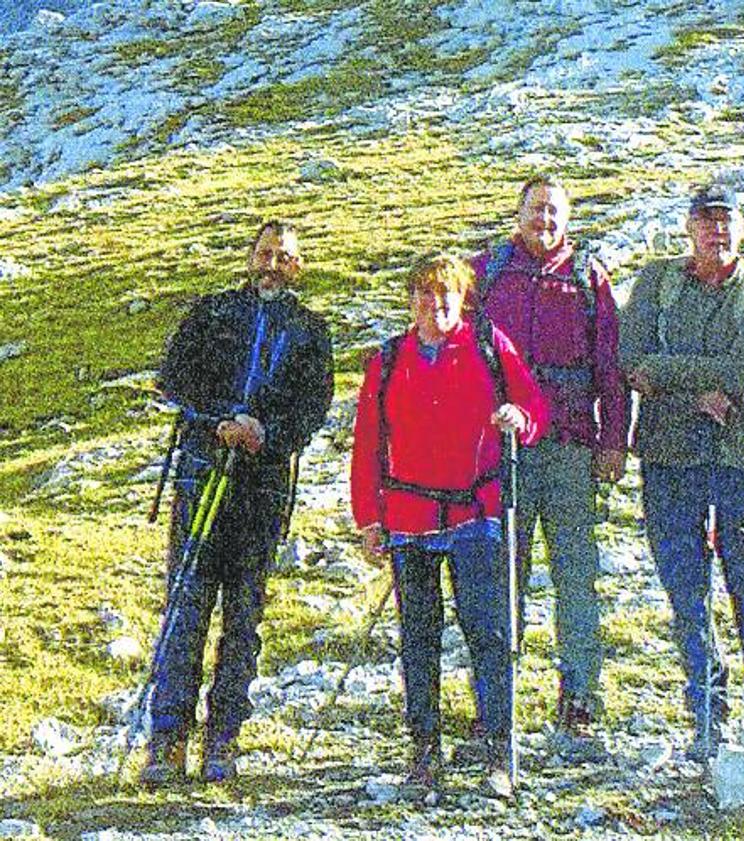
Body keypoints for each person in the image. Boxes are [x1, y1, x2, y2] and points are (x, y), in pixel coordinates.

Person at [350, 254, 547, 800]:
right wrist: (369, 518)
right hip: (409, 520)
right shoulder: (388, 360)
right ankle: (424, 748)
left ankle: (496, 749)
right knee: (418, 639)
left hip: (474, 514)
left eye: (448, 295)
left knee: (488, 633)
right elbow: (368, 443)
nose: (437, 305)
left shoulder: (488, 345)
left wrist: (519, 420)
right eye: (426, 295)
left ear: (462, 299)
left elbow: (532, 404)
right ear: (411, 300)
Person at [144, 220, 334, 785]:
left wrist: (264, 433)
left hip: (261, 489)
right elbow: (173, 377)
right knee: (185, 610)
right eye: (265, 253)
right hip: (202, 476)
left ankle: (223, 738)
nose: (273, 264)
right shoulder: (213, 312)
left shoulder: (310, 331)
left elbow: (311, 407)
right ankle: (167, 740)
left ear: (297, 268)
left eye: (285, 256)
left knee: (244, 619)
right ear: (250, 258)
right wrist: (219, 420)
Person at [619, 184, 744, 760]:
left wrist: (672, 376)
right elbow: (630, 361)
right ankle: (707, 714)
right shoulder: (656, 283)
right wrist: (706, 385)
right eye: (706, 222)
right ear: (688, 227)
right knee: (686, 590)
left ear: (740, 230)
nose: (716, 233)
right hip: (669, 456)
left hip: (733, 456)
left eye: (726, 223)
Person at [470, 175, 628, 737]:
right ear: (518, 214)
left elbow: (610, 367)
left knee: (575, 577)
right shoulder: (485, 274)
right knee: (500, 579)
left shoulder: (588, 279)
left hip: (569, 451)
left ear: (569, 219)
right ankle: (497, 704)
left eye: (555, 212)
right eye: (536, 210)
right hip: (501, 450)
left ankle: (580, 698)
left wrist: (614, 440)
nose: (545, 221)